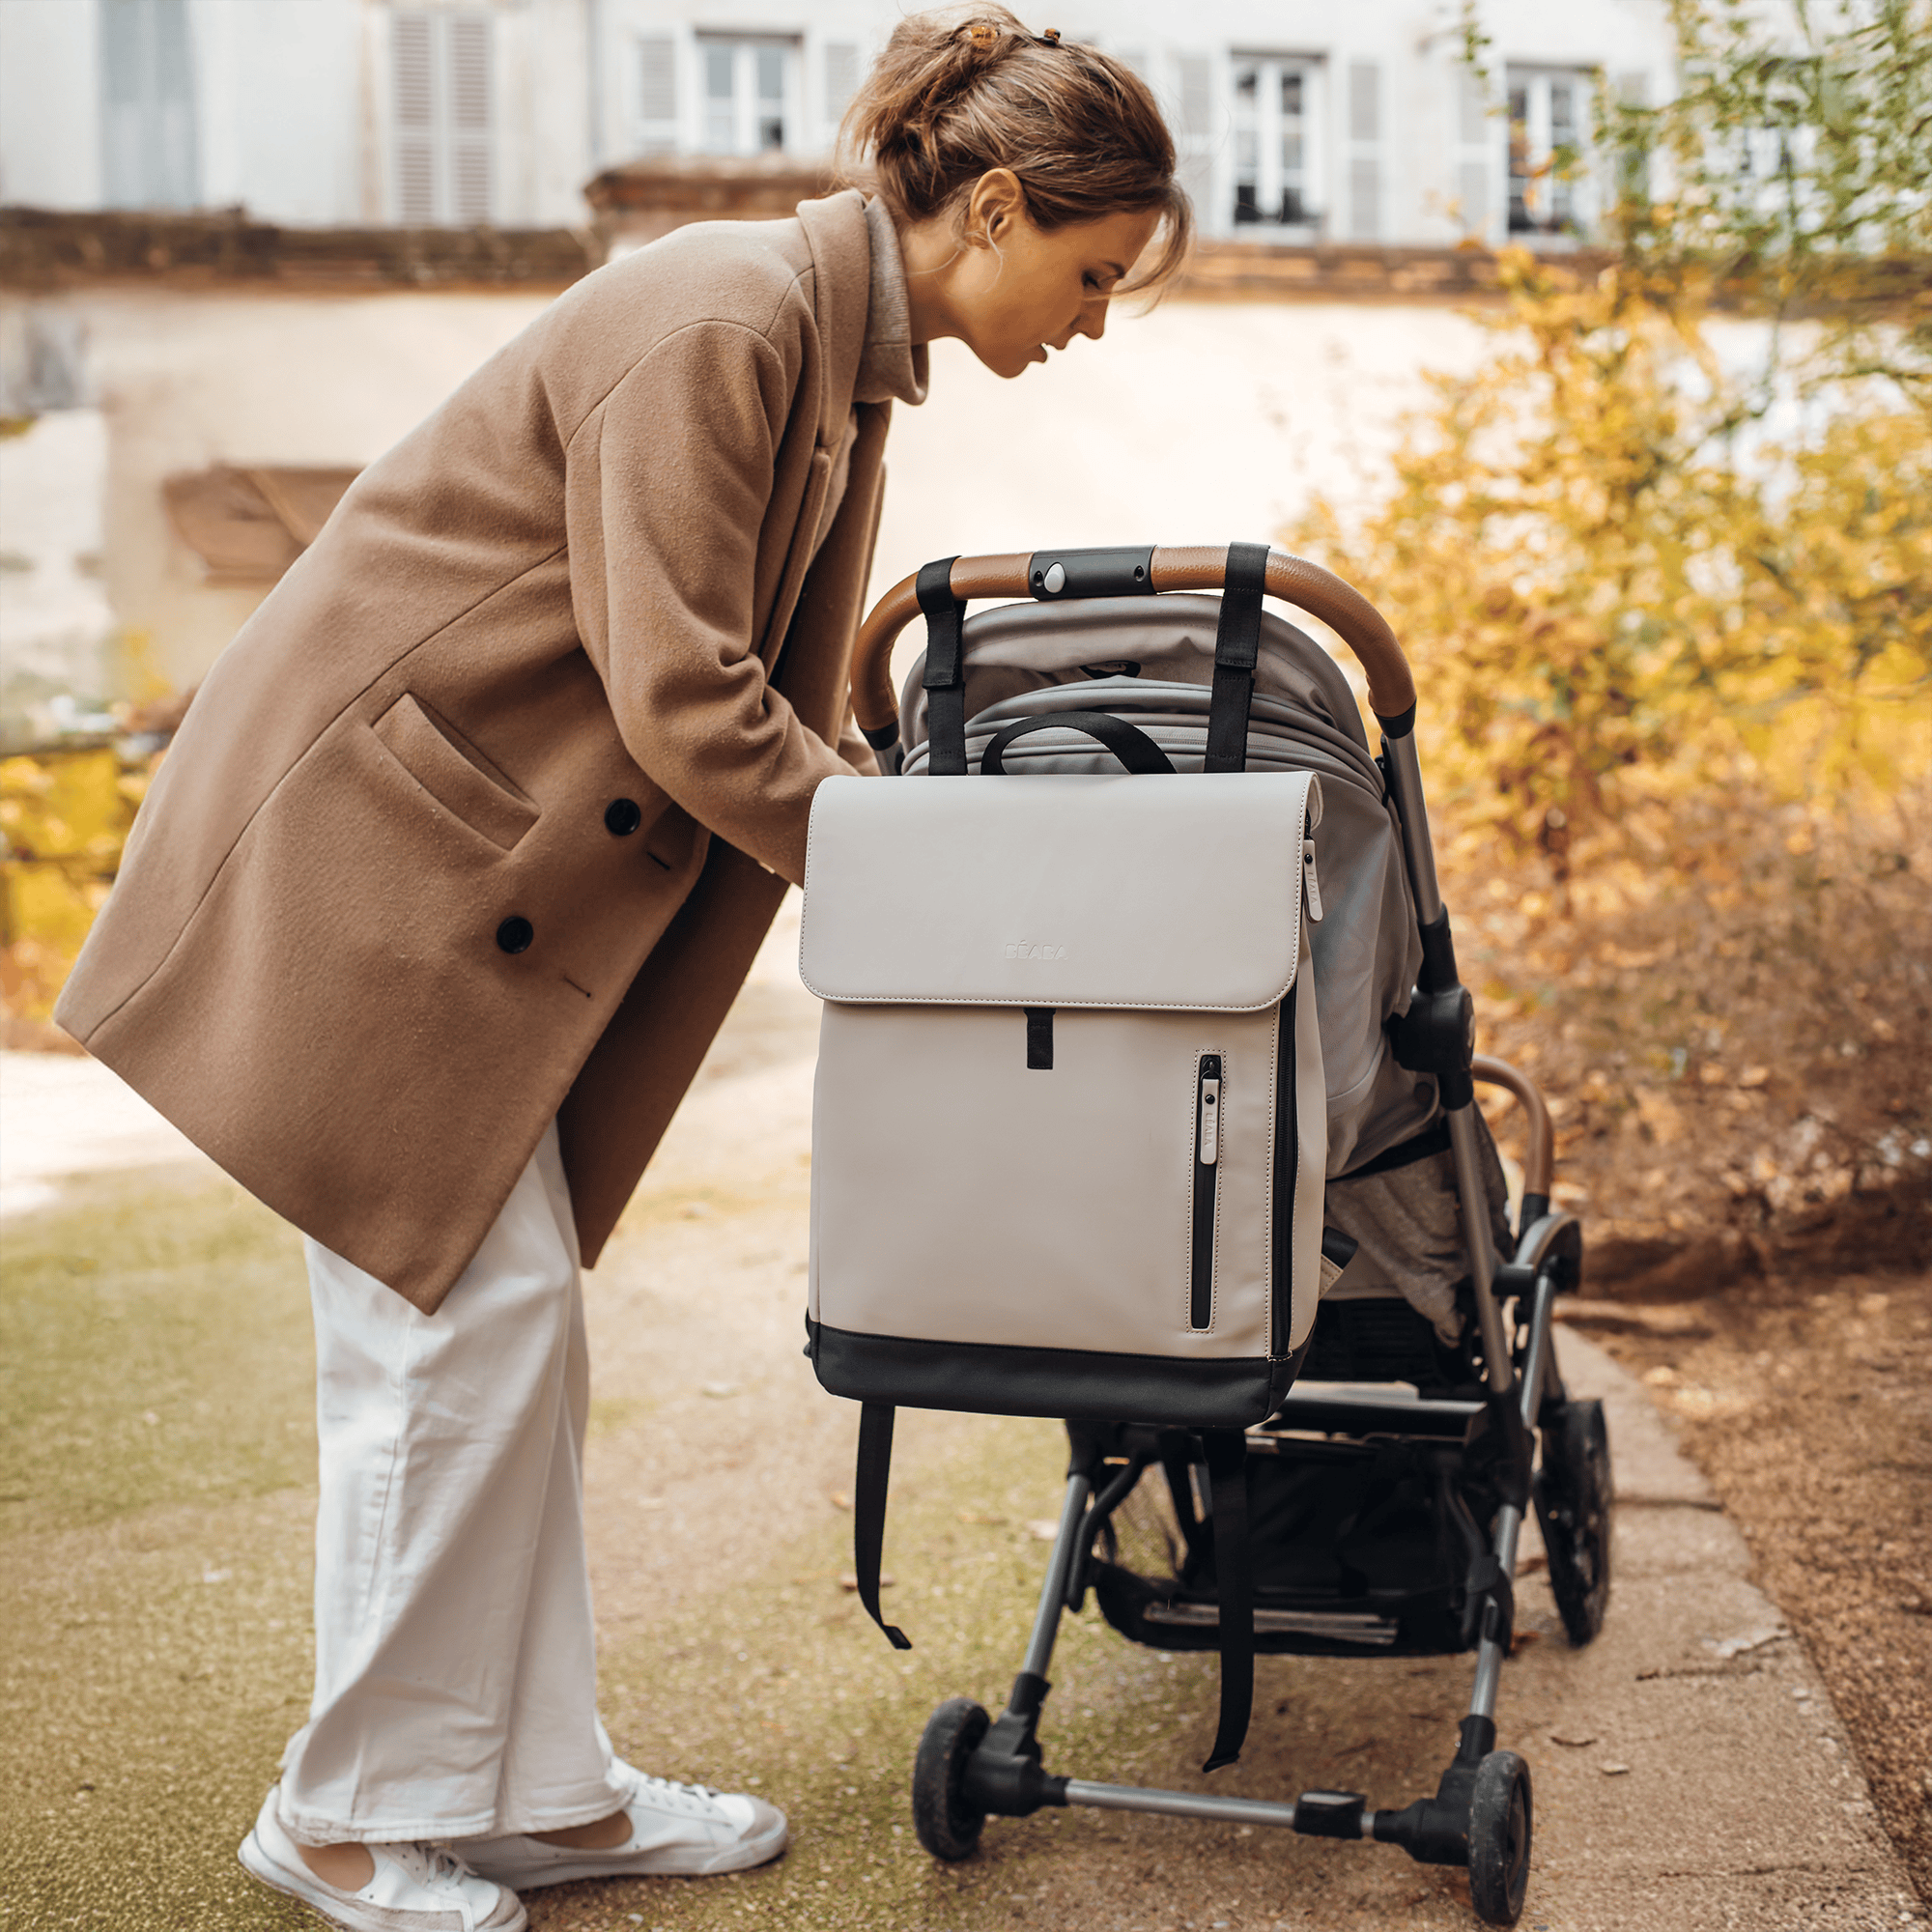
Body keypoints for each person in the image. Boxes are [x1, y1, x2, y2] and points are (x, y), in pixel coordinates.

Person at [55, 10, 1190, 1930]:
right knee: (453, 1337)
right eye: (1089, 275)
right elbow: (682, 692)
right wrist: (931, 870)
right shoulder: (722, 314)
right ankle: (346, 1816)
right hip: (382, 872)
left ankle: (529, 1788)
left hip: (455, 876)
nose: (1088, 322)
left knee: (500, 1336)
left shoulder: (836, 362)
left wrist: (922, 801)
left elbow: (787, 682)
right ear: (991, 208)